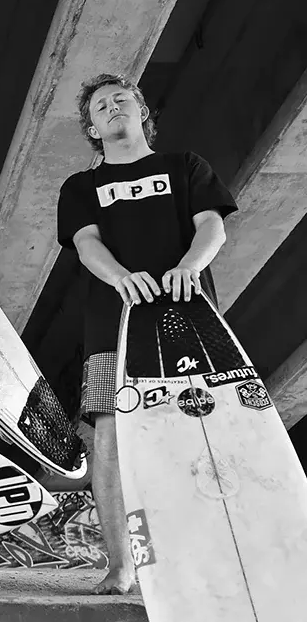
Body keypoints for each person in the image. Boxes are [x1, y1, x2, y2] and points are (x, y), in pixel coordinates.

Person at [57, 74, 237, 594]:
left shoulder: (185, 166)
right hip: (113, 325)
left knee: (196, 434)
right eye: (100, 106)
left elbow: (214, 225)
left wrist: (189, 265)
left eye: (121, 100)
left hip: (189, 321)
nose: (112, 108)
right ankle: (121, 567)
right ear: (92, 126)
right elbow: (86, 243)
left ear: (141, 112)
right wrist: (121, 277)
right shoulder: (80, 187)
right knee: (111, 436)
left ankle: (199, 558)